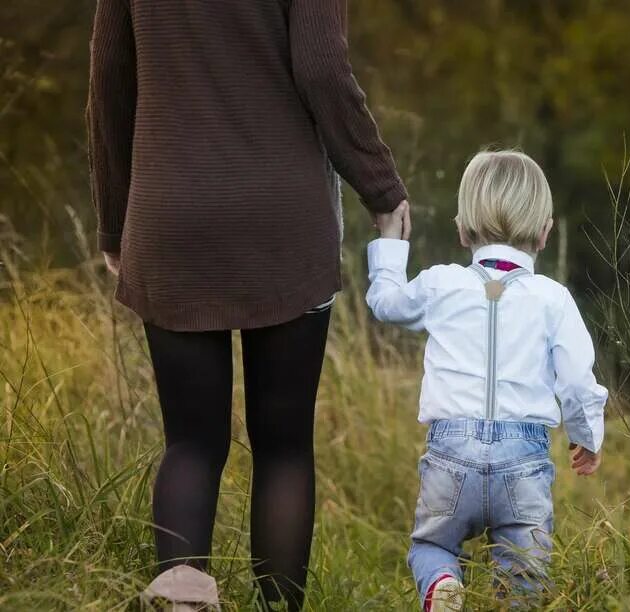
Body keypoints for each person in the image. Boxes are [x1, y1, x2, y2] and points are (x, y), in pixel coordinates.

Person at [86, 0, 407, 609]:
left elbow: (109, 78)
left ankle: (183, 601)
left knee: (190, 441)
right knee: (284, 445)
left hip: (171, 217)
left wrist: (113, 220)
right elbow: (320, 68)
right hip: (282, 224)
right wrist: (381, 187)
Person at [366, 150, 608, 611]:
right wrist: (586, 437)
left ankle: (441, 585)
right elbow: (577, 383)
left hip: (450, 455)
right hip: (524, 461)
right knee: (524, 573)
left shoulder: (441, 284)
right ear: (544, 232)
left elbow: (387, 302)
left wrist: (391, 241)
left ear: (461, 229)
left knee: (432, 547)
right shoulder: (553, 299)